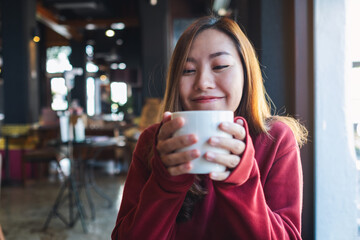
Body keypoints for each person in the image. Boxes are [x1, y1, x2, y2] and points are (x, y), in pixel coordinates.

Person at [112, 15, 308, 240]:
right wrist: (165, 181)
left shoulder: (275, 139)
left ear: (246, 73)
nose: (203, 83)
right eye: (187, 70)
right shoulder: (153, 141)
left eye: (220, 66)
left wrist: (240, 180)